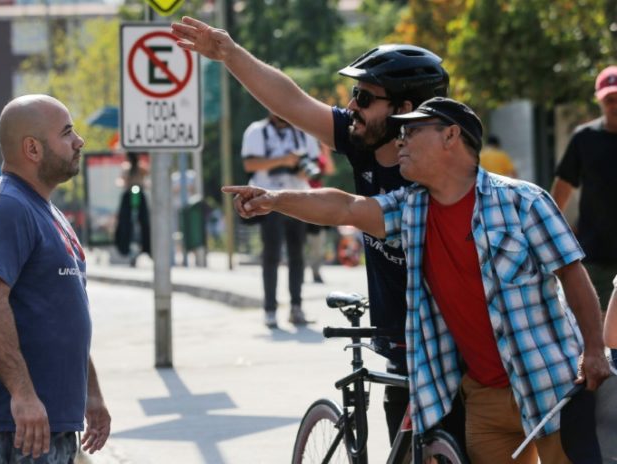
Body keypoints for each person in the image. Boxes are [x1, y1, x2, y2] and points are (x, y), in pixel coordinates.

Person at [223, 97, 611, 463]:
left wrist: (593, 350)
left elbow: (572, 274)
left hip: (551, 384)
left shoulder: (523, 202)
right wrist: (274, 198)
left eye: (412, 131)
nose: (400, 140)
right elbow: (346, 206)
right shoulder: (412, 209)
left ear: (451, 135)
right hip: (483, 395)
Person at [171, 17, 459, 445]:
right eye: (353, 95)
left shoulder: (441, 170)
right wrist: (229, 53)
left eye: (363, 96)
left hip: (451, 343)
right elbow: (292, 102)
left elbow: (346, 207)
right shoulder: (365, 139)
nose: (351, 106)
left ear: (403, 111)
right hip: (399, 339)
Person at [0, 95, 110, 462]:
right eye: (67, 132)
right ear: (32, 149)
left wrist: (91, 393)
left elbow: (62, 313)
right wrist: (22, 395)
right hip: (13, 426)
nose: (79, 141)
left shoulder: (46, 211)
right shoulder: (4, 209)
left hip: (45, 422)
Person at [241, 113, 320, 328]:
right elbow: (249, 164)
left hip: (297, 197)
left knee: (297, 255)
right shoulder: (258, 131)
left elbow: (313, 169)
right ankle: (270, 309)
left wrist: (301, 167)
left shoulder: (303, 133)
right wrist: (283, 160)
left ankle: (296, 307)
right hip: (268, 198)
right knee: (271, 255)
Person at [551, 65, 617, 311]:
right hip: (595, 253)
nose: (614, 104)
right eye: (609, 99)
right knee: (599, 328)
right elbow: (562, 188)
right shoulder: (584, 138)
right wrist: (552, 235)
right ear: (600, 101)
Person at [305, 142, 335, 284]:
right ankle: (298, 273)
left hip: (316, 203)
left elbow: (329, 169)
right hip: (299, 200)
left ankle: (316, 272)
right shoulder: (300, 155)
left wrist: (326, 151)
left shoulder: (318, 158)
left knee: (318, 242)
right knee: (297, 242)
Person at [114, 151, 151, 265]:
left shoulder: (141, 167)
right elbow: (121, 180)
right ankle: (124, 246)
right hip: (129, 194)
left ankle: (146, 247)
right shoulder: (126, 167)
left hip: (139, 194)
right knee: (124, 221)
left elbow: (148, 173)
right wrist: (123, 182)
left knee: (145, 221)